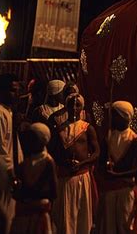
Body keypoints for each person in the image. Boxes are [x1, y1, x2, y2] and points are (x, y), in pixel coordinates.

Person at [50, 93, 100, 234]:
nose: (74, 107)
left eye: (77, 104)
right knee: (65, 214)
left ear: (82, 107)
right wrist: (64, 163)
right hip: (65, 177)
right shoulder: (59, 129)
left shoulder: (87, 128)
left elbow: (97, 152)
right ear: (66, 107)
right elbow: (53, 153)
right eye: (71, 104)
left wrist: (83, 163)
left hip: (82, 176)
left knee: (81, 213)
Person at [97, 101, 137, 234]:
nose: (111, 118)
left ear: (124, 117)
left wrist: (118, 175)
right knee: (108, 227)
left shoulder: (134, 139)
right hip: (109, 190)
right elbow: (100, 163)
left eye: (114, 115)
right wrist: (105, 167)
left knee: (124, 225)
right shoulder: (108, 137)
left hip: (126, 189)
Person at [0, 73, 23, 232]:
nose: (17, 95)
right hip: (4, 176)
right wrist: (11, 174)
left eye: (17, 90)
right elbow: (0, 148)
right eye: (12, 91)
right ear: (2, 91)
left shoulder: (8, 112)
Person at [11, 123, 57, 234]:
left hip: (39, 211)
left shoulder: (47, 162)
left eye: (33, 138)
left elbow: (53, 190)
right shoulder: (25, 162)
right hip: (25, 212)